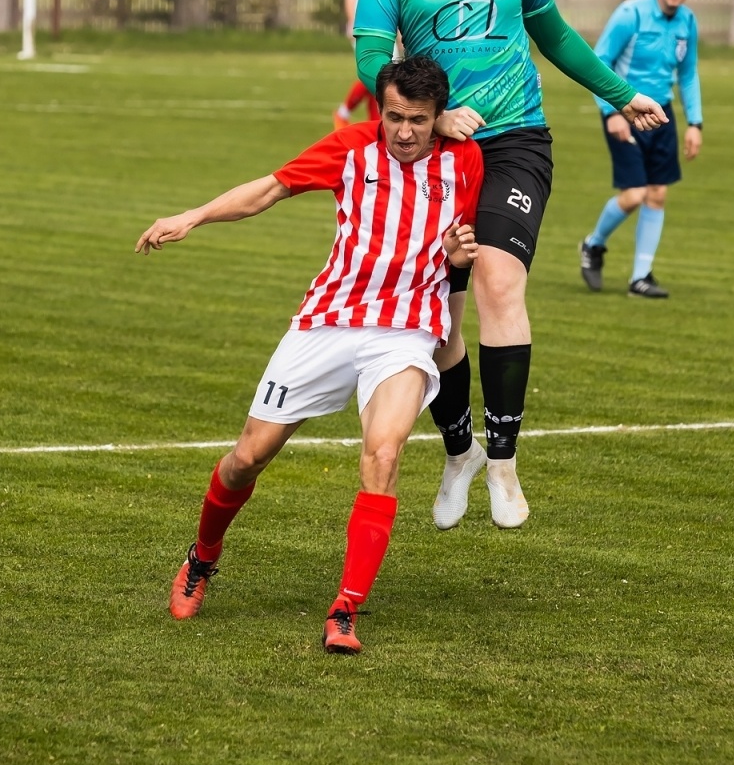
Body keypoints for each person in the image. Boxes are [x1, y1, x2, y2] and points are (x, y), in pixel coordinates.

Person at [351, 0, 667, 531]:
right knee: (438, 326)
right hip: (432, 155)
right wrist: (433, 118)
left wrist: (621, 94)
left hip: (515, 141)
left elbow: (552, 35)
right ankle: (457, 449)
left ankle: (502, 460)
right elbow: (372, 56)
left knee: (498, 279)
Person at [140, 56, 483, 654]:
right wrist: (193, 215)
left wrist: (457, 254)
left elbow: (458, 254)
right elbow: (270, 189)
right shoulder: (350, 148)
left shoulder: (465, 160)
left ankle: (345, 610)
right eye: (395, 117)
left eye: (419, 121)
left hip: (404, 330)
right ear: (381, 109)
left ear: (438, 118)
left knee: (383, 454)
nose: (405, 132)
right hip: (327, 321)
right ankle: (203, 557)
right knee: (247, 457)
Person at [579, 0, 703, 297]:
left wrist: (695, 123)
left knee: (658, 193)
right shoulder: (630, 14)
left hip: (661, 113)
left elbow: (688, 74)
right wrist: (612, 110)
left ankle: (640, 277)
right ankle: (593, 244)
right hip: (627, 110)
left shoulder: (688, 22)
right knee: (634, 194)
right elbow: (598, 61)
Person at [333, 0, 392, 130]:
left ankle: (375, 123)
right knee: (379, 72)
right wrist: (353, 24)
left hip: (388, 29)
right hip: (366, 29)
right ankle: (344, 112)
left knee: (382, 76)